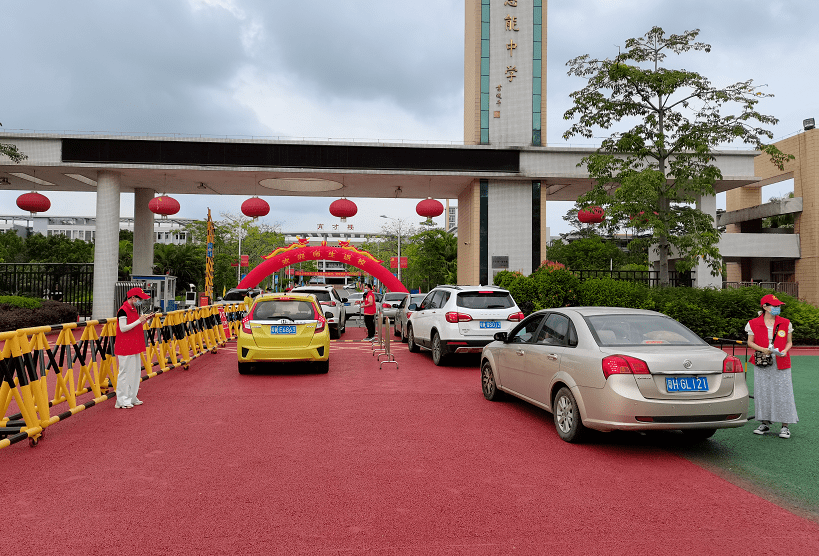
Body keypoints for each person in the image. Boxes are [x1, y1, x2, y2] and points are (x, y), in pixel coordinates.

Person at [746, 293, 798, 439]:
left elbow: (789, 342)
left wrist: (785, 351)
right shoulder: (753, 323)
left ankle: (785, 426)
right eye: (775, 306)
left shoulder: (786, 322)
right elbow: (750, 342)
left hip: (781, 360)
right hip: (762, 360)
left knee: (784, 392)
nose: (778, 308)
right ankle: (764, 423)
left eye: (779, 306)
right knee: (762, 391)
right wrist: (763, 350)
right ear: (765, 307)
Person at [114, 287, 153, 409]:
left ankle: (131, 396)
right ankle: (122, 400)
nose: (140, 301)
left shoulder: (132, 309)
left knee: (135, 372)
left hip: (134, 344)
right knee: (125, 373)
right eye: (139, 299)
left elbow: (134, 325)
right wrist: (139, 321)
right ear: (133, 298)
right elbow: (123, 328)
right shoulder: (123, 310)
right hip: (125, 346)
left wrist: (144, 320)